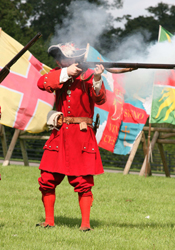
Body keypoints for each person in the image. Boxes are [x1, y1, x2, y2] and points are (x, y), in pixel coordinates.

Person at [36, 43, 106, 231]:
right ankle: (49, 221)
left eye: (63, 57)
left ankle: (85, 225)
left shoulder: (90, 75)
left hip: (81, 135)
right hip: (59, 135)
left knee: (83, 182)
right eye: (58, 58)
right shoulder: (61, 74)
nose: (59, 60)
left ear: (76, 58)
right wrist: (66, 71)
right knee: (47, 178)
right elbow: (42, 83)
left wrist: (98, 78)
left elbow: (100, 98)